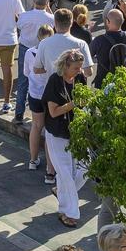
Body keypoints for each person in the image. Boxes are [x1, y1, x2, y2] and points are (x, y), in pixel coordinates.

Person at [43, 49, 89, 228]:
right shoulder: (54, 81)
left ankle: (61, 193)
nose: (79, 71)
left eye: (80, 67)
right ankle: (68, 213)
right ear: (66, 66)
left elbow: (84, 101)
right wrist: (73, 104)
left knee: (86, 168)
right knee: (65, 174)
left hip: (76, 132)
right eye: (76, 68)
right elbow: (53, 112)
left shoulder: (80, 79)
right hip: (57, 134)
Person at [14, 0, 55, 126]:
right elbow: (55, 23)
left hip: (26, 49)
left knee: (23, 80)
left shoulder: (24, 16)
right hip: (44, 50)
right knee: (45, 81)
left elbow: (19, 26)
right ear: (47, 2)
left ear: (34, 0)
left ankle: (19, 113)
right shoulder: (51, 18)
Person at [24, 23, 56, 178]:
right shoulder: (53, 54)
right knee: (49, 131)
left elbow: (26, 72)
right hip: (50, 96)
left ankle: (33, 159)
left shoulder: (29, 52)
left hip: (35, 93)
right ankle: (50, 171)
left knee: (36, 126)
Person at [88, 9, 126, 88]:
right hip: (124, 82)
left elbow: (87, 56)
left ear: (108, 22)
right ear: (123, 21)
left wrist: (88, 32)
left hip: (103, 83)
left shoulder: (99, 40)